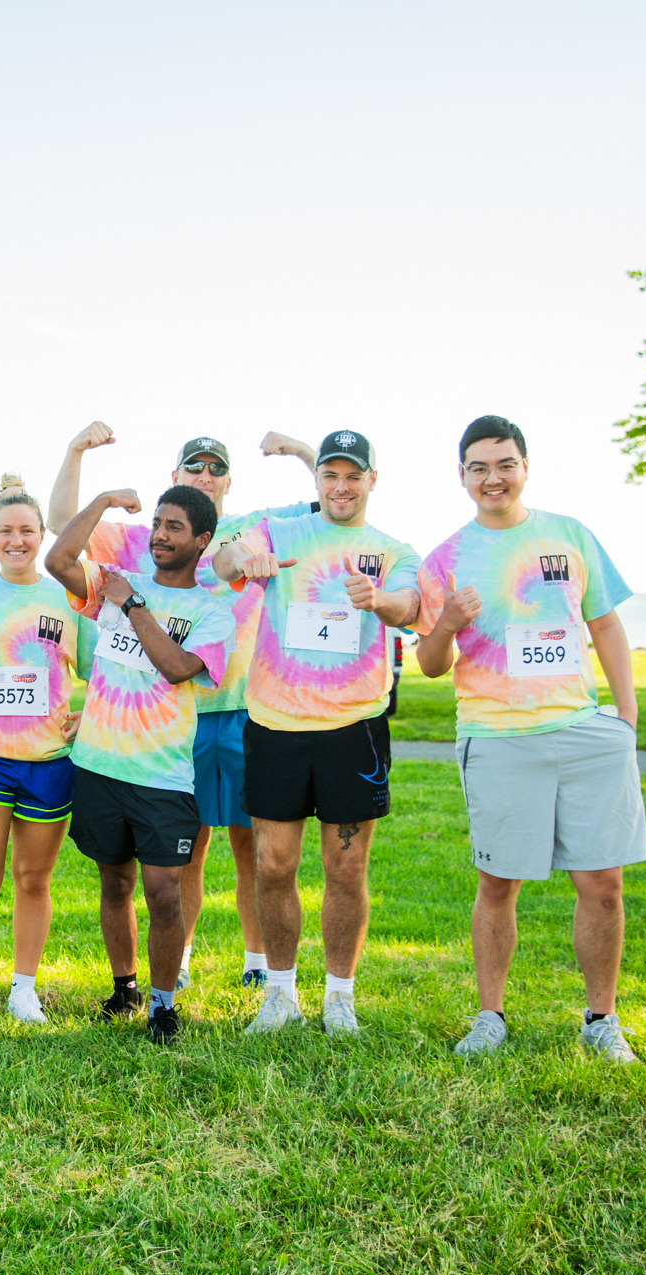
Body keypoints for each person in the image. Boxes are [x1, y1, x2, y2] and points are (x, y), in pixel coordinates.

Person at [48, 424, 315, 991]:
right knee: (185, 852)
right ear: (175, 477)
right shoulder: (149, 543)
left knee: (252, 845)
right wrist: (76, 454)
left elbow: (332, 497)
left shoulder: (251, 526)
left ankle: (255, 961)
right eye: (196, 466)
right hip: (165, 728)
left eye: (217, 468)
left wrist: (298, 453)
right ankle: (181, 960)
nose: (206, 475)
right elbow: (60, 532)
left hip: (240, 705)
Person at [412, 414, 644, 1063]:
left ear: (524, 466)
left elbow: (605, 625)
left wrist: (626, 717)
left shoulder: (568, 536)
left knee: (602, 882)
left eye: (505, 463)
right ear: (462, 476)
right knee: (498, 882)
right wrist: (449, 622)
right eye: (479, 466)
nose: (494, 477)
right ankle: (489, 1016)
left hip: (580, 729)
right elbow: (429, 664)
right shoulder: (445, 560)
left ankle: (601, 1019)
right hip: (496, 735)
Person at [212, 430, 421, 1036]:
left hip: (352, 730)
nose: (341, 486)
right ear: (317, 481)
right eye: (330, 474)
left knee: (346, 869)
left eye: (353, 475)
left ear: (371, 481)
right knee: (273, 865)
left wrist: (379, 601)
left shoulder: (391, 549)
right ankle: (279, 994)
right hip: (275, 725)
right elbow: (224, 558)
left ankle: (339, 996)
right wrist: (241, 561)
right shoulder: (283, 531)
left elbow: (409, 605)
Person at [45, 484, 236, 1046]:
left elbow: (177, 667)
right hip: (101, 766)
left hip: (162, 777)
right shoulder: (116, 583)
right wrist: (102, 502)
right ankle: (124, 988)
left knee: (165, 894)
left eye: (175, 527)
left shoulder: (210, 612)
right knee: (114, 883)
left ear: (202, 540)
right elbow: (58, 560)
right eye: (157, 523)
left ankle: (163, 1004)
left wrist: (132, 605)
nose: (160, 534)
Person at [0, 475, 96, 1027]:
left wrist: (90, 715)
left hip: (48, 759)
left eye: (27, 530)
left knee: (34, 879)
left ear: (40, 535)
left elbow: (102, 668)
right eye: (6, 531)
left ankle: (24, 989)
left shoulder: (69, 598)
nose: (17, 540)